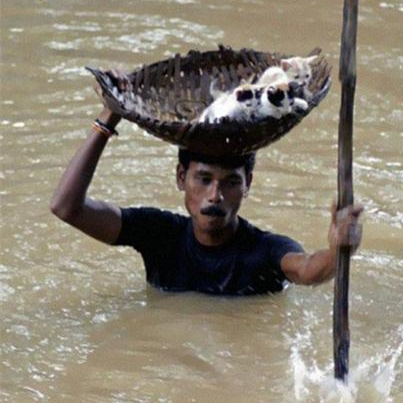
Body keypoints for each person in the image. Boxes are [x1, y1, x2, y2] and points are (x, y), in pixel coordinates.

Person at [50, 70, 364, 296]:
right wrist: (108, 118)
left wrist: (339, 250)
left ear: (248, 184)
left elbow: (308, 270)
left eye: (230, 183)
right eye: (203, 179)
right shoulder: (158, 235)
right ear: (180, 177)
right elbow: (66, 207)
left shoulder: (266, 250)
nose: (215, 196)